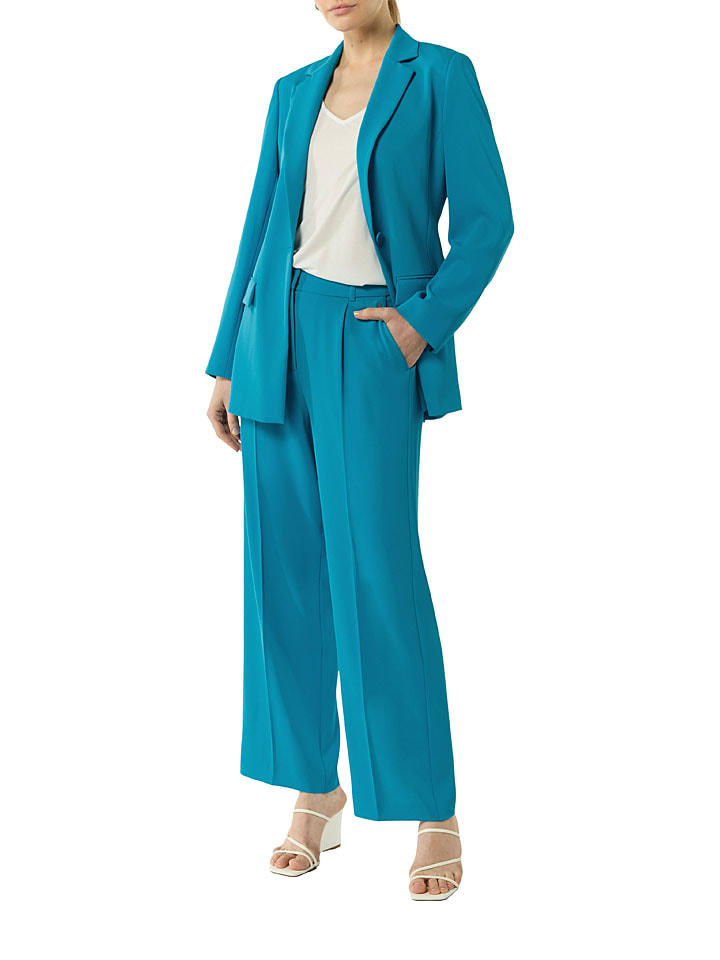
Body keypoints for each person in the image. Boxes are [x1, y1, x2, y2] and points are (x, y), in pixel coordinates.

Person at [206, 0, 513, 901]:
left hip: (373, 338)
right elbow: (262, 226)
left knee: (377, 571)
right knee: (283, 574)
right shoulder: (292, 90)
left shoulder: (441, 75)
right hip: (276, 339)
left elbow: (488, 221)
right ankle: (314, 792)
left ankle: (431, 807)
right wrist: (225, 360)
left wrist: (421, 325)